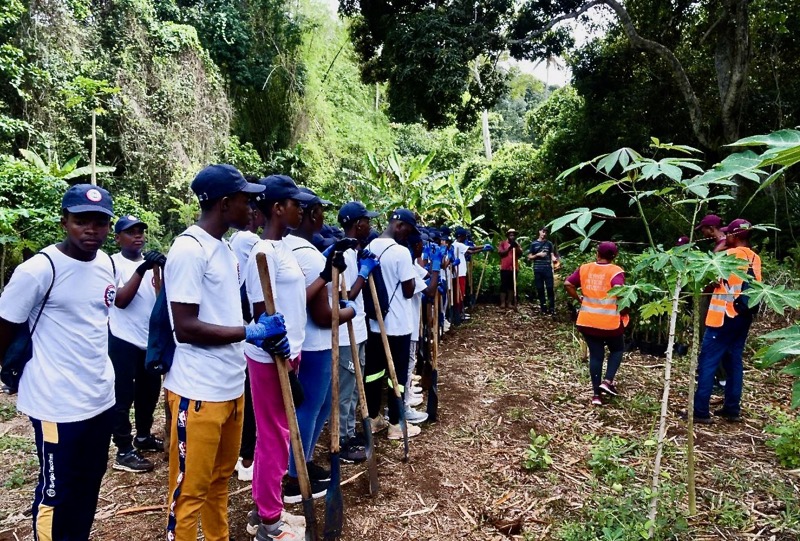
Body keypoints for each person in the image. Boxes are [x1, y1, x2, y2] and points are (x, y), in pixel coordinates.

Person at [163, 164, 287, 541]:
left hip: (232, 387)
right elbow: (184, 327)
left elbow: (225, 313)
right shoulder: (189, 249)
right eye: (245, 199)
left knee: (220, 483)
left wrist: (263, 335)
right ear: (223, 203)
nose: (252, 206)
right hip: (198, 393)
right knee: (189, 493)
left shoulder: (226, 251)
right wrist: (250, 332)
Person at [0, 184, 117, 540]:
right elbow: (4, 329)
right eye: (82, 220)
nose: (91, 230)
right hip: (56, 404)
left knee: (88, 484)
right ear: (64, 221)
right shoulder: (39, 269)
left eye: (100, 222)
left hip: (100, 399)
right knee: (56, 492)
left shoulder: (107, 263)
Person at [244, 175, 318, 540]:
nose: (300, 210)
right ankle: (270, 522)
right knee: (274, 434)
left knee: (277, 432)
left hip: (293, 350)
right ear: (277, 208)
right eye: (294, 204)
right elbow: (262, 314)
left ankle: (267, 509)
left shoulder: (285, 246)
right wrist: (278, 346)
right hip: (270, 358)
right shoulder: (262, 252)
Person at [282, 185, 357, 503]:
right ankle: (294, 474)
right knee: (311, 407)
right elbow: (323, 315)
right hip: (315, 344)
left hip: (308, 343)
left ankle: (305, 462)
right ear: (312, 215)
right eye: (320, 211)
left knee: (321, 406)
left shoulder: (290, 248)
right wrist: (350, 310)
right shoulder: (308, 257)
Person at [109, 215, 165, 473]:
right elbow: (120, 300)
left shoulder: (151, 264)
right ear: (118, 237)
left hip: (148, 340)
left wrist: (166, 269)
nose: (138, 235)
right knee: (123, 395)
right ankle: (123, 449)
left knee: (149, 391)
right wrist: (141, 270)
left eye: (141, 231)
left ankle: (143, 435)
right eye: (130, 232)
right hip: (122, 338)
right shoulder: (112, 263)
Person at [691, 219, 761, 424]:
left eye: (729, 234)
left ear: (736, 236)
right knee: (734, 362)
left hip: (723, 317)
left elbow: (709, 279)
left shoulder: (727, 256)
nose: (726, 236)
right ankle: (732, 409)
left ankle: (700, 411)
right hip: (743, 317)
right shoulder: (755, 257)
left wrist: (719, 248)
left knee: (708, 363)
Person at [365, 209, 421, 440]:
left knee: (373, 374)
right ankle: (396, 424)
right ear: (399, 226)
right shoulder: (400, 252)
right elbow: (409, 290)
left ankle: (374, 418)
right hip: (398, 324)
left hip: (376, 324)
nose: (409, 235)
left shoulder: (369, 247)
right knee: (396, 376)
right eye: (408, 230)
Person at [229, 180, 267, 482]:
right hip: (245, 326)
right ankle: (245, 456)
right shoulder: (245, 239)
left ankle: (243, 454)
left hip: (244, 324)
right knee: (249, 398)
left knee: (247, 398)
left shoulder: (241, 241)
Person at [336, 201, 380, 463]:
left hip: (360, 329)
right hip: (346, 333)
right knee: (346, 389)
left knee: (355, 389)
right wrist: (363, 274)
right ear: (357, 223)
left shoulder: (355, 251)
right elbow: (347, 294)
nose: (370, 225)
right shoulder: (345, 254)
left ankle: (351, 432)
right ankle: (342, 439)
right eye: (367, 220)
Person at [564, 241, 628, 406]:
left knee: (596, 356)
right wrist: (624, 310)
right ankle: (607, 381)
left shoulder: (585, 268)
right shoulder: (616, 271)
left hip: (587, 320)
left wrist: (579, 299)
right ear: (614, 256)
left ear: (597, 253)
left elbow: (568, 283)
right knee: (617, 349)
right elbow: (620, 291)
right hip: (609, 323)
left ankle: (596, 395)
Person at [527, 227, 559, 316]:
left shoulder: (549, 244)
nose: (544, 234)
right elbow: (529, 257)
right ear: (539, 232)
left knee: (550, 288)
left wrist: (554, 259)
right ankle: (543, 308)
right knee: (540, 289)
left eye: (546, 232)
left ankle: (552, 308)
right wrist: (538, 255)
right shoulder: (534, 244)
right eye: (543, 232)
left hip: (547, 269)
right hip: (537, 269)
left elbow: (552, 255)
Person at [497, 228, 522, 308]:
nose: (512, 236)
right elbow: (501, 253)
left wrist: (516, 247)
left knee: (512, 286)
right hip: (505, 268)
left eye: (513, 235)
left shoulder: (517, 244)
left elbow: (521, 253)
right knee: (504, 285)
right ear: (508, 235)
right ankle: (502, 303)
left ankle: (509, 302)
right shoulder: (503, 243)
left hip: (514, 268)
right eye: (510, 235)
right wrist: (509, 248)